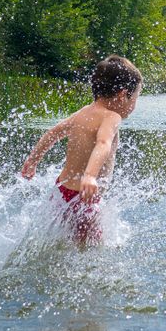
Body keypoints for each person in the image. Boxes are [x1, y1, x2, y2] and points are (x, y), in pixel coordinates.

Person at [21, 55, 142, 244]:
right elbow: (103, 144)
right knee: (90, 249)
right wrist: (90, 176)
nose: (134, 105)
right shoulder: (112, 117)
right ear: (122, 95)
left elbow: (53, 133)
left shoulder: (83, 113)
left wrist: (33, 160)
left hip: (61, 192)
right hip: (85, 199)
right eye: (135, 98)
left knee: (59, 243)